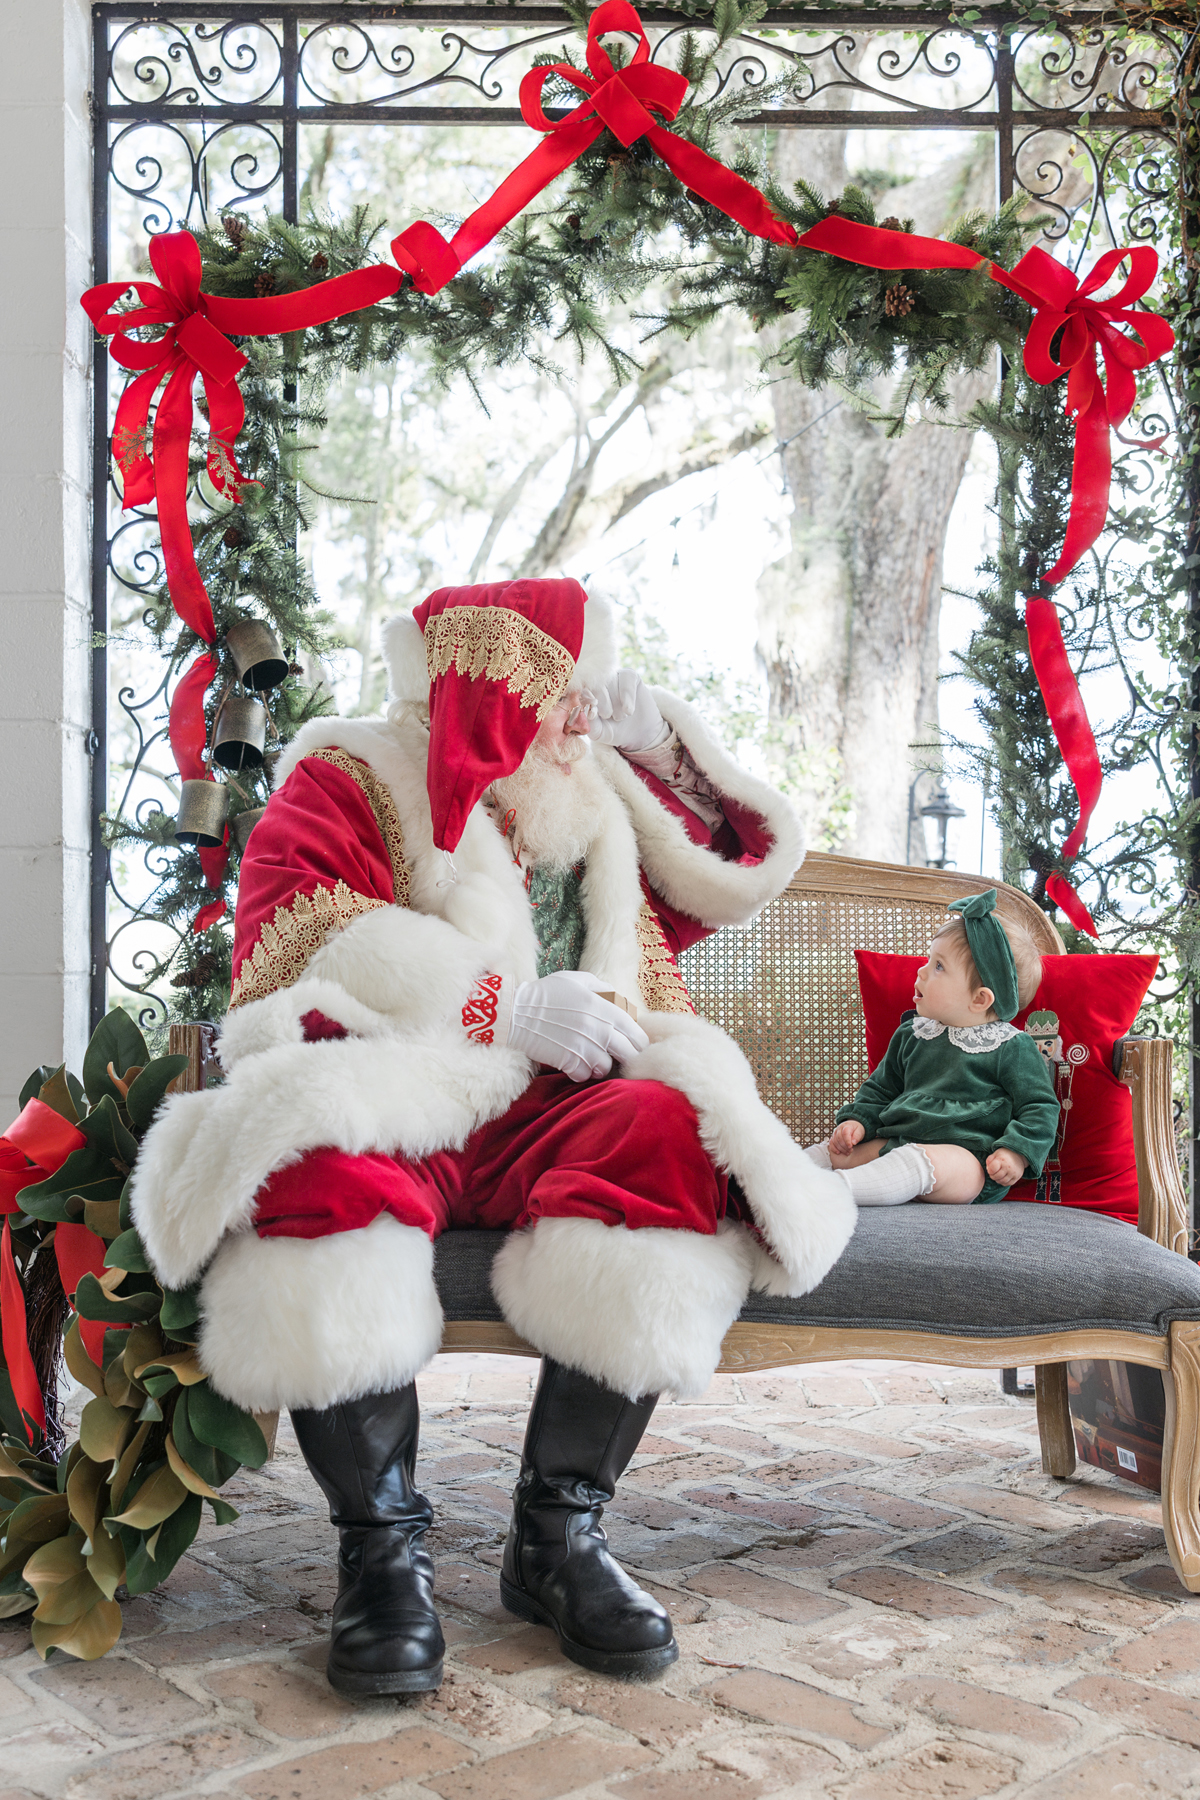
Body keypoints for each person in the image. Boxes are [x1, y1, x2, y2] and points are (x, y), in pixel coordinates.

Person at [132, 577, 855, 1698]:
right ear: (490, 689)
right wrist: (497, 1008)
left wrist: (666, 744)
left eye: (587, 700)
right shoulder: (351, 772)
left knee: (669, 1123)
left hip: (555, 1107)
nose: (579, 721)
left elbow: (735, 873)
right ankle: (380, 1549)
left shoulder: (590, 798)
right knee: (311, 1153)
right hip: (405, 1077)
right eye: (560, 697)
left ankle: (557, 1536)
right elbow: (296, 935)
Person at [805, 890, 1059, 1207]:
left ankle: (828, 1193)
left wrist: (1016, 1152)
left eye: (938, 966)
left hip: (969, 1160)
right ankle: (769, 1179)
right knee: (838, 1153)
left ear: (980, 999)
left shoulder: (1010, 1045)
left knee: (926, 1161)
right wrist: (857, 1122)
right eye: (929, 960)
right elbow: (880, 1089)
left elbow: (1040, 1107)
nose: (922, 971)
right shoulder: (912, 1033)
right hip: (895, 1142)